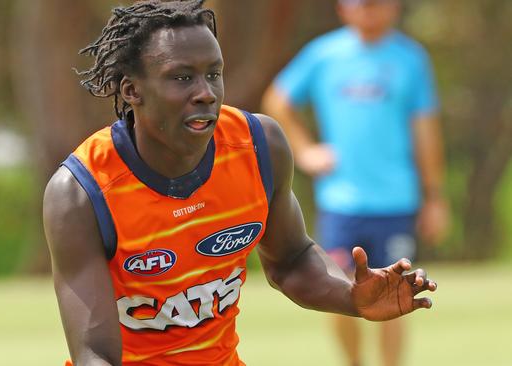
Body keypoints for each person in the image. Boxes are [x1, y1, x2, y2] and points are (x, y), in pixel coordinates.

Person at [43, 1, 437, 365]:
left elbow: (292, 259)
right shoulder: (81, 193)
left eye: (213, 74)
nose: (206, 94)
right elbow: (94, 353)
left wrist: (351, 297)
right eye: (181, 78)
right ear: (132, 91)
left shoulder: (258, 146)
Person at [261, 0, 449, 365]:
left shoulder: (411, 58)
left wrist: (434, 196)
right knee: (339, 290)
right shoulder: (324, 54)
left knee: (399, 293)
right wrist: (306, 150)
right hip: (341, 202)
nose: (369, 11)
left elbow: (425, 129)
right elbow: (277, 100)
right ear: (344, 8)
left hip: (396, 200)